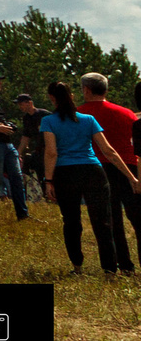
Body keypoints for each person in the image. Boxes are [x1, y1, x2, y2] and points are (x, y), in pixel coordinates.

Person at [38, 80, 133, 276]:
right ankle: (109, 269)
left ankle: (78, 266)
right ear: (72, 96)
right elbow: (108, 151)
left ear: (51, 98)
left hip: (66, 173)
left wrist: (48, 180)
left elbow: (51, 152)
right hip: (93, 171)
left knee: (72, 221)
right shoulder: (88, 120)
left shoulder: (48, 121)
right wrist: (130, 176)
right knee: (103, 222)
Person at [74, 71, 141, 247]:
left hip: (97, 169)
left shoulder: (78, 115)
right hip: (129, 167)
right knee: (137, 215)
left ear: (86, 90)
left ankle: (123, 262)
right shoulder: (126, 113)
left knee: (111, 219)